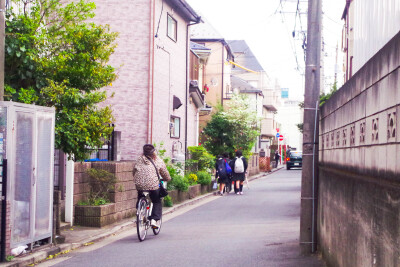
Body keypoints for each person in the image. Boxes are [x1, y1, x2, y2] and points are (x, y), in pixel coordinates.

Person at [133, 144, 171, 228]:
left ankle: (140, 212)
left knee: (141, 196)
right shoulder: (157, 160)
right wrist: (167, 179)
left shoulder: (139, 159)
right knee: (156, 201)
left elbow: (134, 171)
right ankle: (154, 220)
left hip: (139, 185)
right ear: (154, 152)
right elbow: (165, 173)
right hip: (153, 186)